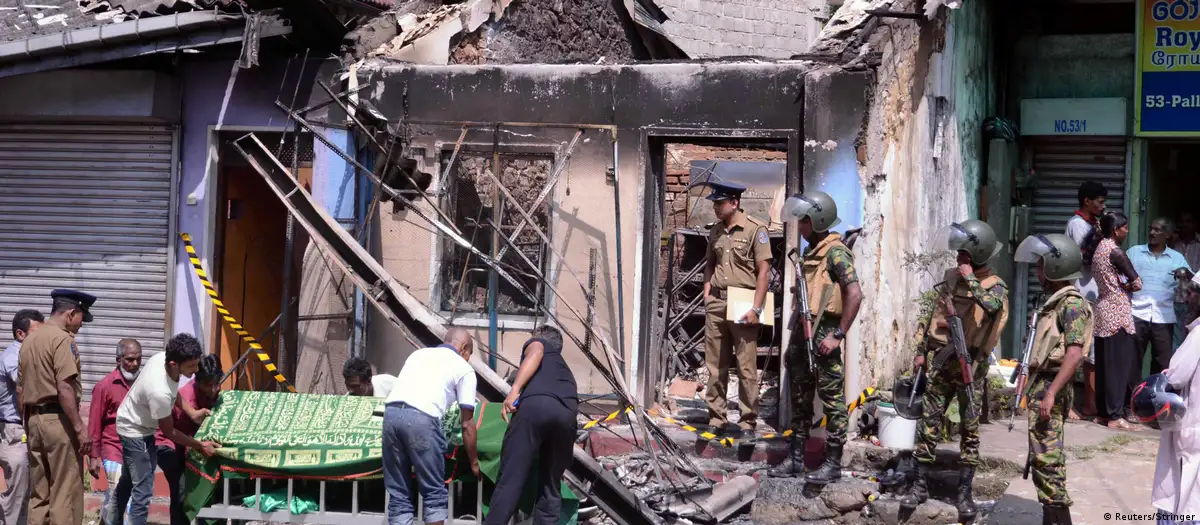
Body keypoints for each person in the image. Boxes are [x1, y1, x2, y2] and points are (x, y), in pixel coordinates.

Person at [900, 220, 1009, 518]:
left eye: (963, 252)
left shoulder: (996, 286)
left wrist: (971, 279)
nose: (958, 256)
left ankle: (965, 491)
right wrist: (921, 352)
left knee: (969, 428)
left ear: (977, 254)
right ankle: (919, 484)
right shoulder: (950, 277)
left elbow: (991, 308)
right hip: (942, 360)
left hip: (970, 366)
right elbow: (933, 315)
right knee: (928, 422)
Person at [765, 190, 863, 483]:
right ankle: (796, 458)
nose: (800, 227)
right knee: (800, 398)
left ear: (817, 221)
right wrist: (792, 343)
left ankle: (832, 464)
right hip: (803, 332)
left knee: (833, 400)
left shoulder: (836, 252)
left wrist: (838, 335)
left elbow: (855, 294)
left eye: (804, 221)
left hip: (824, 334)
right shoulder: (811, 251)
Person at [1013, 233, 1093, 525]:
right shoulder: (1054, 302)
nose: (1037, 271)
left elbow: (1074, 354)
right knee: (1041, 457)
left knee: (1048, 460)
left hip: (1051, 386)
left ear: (1055, 268)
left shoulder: (1071, 305)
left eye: (1041, 265)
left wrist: (1050, 393)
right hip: (1042, 383)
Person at [107, 334, 217, 525]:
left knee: (126, 483)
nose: (196, 369)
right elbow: (170, 432)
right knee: (143, 491)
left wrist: (192, 413)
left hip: (134, 420)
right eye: (191, 366)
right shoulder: (159, 391)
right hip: (135, 431)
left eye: (196, 363)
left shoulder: (162, 359)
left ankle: (111, 521)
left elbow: (172, 391)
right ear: (174, 364)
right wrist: (200, 445)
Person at [383, 328, 479, 525]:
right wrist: (475, 463)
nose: (468, 359)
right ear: (464, 348)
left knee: (399, 494)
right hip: (422, 420)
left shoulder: (418, 354)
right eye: (469, 354)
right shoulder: (464, 368)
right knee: (433, 493)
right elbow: (467, 423)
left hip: (390, 416)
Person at [700, 180, 772, 436]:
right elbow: (710, 264)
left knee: (746, 366)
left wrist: (757, 308)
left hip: (744, 302)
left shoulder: (755, 229)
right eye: (715, 204)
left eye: (720, 203)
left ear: (734, 202)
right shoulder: (716, 231)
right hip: (717, 302)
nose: (716, 208)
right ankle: (717, 418)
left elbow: (764, 271)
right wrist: (707, 293)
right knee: (715, 365)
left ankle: (747, 421)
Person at [18, 290, 97, 525]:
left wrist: (28, 423)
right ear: (71, 313)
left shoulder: (29, 340)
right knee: (66, 492)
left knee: (39, 492)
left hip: (34, 420)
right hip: (59, 422)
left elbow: (21, 389)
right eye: (81, 318)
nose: (82, 324)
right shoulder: (63, 340)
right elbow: (64, 388)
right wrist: (80, 429)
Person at [487, 325, 579, 525]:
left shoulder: (539, 344)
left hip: (537, 407)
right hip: (567, 416)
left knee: (511, 478)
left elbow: (536, 351)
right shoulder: (565, 370)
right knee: (550, 486)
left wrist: (515, 390)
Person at [1151, 273, 1200, 525]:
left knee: (1182, 498)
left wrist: (1166, 375)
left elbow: (1177, 376)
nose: (1188, 297)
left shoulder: (1198, 334)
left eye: (1192, 292)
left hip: (1191, 429)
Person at [153, 354, 221, 525]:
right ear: (198, 381)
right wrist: (199, 446)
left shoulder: (216, 394)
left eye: (216, 383)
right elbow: (173, 433)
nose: (213, 389)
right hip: (169, 445)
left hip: (192, 446)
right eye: (208, 385)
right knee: (181, 492)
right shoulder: (186, 398)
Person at [1092, 212, 1144, 431]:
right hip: (1117, 312)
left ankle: (1104, 413)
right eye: (1124, 228)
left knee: (1105, 364)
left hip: (1102, 309)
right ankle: (1115, 416)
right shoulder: (1115, 252)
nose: (1127, 231)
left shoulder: (1098, 249)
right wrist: (1129, 286)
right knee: (1118, 367)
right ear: (1115, 230)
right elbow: (1137, 282)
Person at [88, 339, 143, 524]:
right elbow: (95, 423)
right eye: (130, 359)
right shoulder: (105, 386)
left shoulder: (144, 384)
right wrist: (93, 456)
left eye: (138, 359)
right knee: (120, 494)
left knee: (124, 496)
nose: (135, 364)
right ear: (118, 360)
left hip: (137, 449)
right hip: (113, 448)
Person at [1064, 181, 1106, 421]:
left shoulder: (1093, 224)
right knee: (1075, 350)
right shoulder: (1077, 224)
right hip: (1080, 294)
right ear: (1087, 201)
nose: (1103, 206)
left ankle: (1090, 404)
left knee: (1092, 355)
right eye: (1100, 201)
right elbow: (1087, 258)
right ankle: (1067, 404)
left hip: (1094, 295)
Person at [1131, 218, 1191, 379]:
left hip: (1164, 317)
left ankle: (1155, 393)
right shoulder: (1134, 252)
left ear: (1167, 235)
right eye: (1151, 229)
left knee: (1162, 363)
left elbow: (1192, 282)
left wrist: (1185, 272)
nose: (1152, 233)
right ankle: (1131, 394)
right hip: (1136, 314)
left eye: (1157, 230)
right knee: (1133, 360)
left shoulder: (1176, 258)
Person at [0, 309, 43, 525]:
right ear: (20, 334)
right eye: (37, 333)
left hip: (22, 428)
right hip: (15, 430)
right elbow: (22, 387)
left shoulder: (28, 354)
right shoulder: (13, 356)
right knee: (16, 492)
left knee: (26, 489)